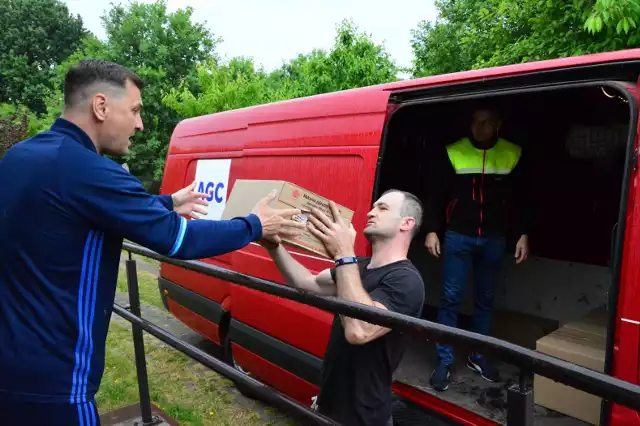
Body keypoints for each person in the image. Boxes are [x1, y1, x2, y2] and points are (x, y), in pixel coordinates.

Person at [0, 59, 305, 426]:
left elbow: (75, 209)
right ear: (101, 106)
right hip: (56, 377)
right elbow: (180, 241)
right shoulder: (91, 171)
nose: (140, 124)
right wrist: (255, 225)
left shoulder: (23, 156)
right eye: (135, 110)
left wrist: (167, 203)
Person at [261, 189, 426, 426]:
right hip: (329, 404)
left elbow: (359, 330)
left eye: (383, 208)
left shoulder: (407, 280)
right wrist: (274, 247)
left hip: (364, 417)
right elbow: (307, 283)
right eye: (373, 206)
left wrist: (344, 253)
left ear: (406, 223)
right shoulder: (357, 265)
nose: (371, 212)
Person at [424, 108, 530, 392]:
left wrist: (522, 234)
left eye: (486, 122)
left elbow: (521, 199)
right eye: (475, 121)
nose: (479, 126)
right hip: (458, 235)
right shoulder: (454, 151)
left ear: (498, 124)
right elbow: (435, 194)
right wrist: (432, 229)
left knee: (485, 301)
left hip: (494, 238)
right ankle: (444, 361)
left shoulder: (513, 153)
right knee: (451, 299)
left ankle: (478, 355)